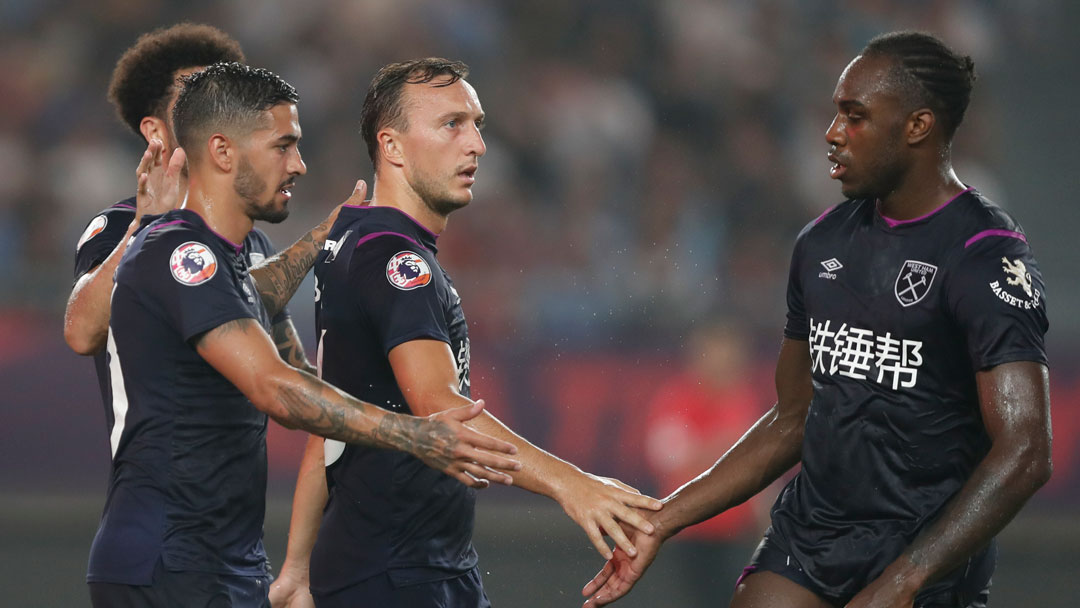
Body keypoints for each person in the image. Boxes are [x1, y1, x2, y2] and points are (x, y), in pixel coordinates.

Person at [582, 31, 1052, 608]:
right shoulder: (820, 243)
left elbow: (1026, 449)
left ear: (917, 126)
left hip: (929, 555)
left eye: (854, 117)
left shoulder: (984, 254)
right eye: (836, 114)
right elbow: (793, 417)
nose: (832, 134)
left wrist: (907, 578)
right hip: (811, 538)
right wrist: (660, 520)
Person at [86, 62, 521, 608]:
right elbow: (278, 389)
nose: (299, 164)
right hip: (167, 560)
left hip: (225, 561)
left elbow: (297, 370)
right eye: (283, 146)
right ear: (223, 153)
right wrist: (415, 434)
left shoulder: (225, 266)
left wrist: (323, 241)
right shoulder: (178, 252)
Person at [270, 58, 663, 608]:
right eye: (452, 124)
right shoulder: (395, 259)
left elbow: (330, 418)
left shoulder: (353, 236)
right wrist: (573, 485)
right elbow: (438, 406)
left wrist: (296, 568)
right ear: (394, 147)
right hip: (400, 572)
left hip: (391, 563)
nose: (476, 144)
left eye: (476, 124)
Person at [64, 23, 320, 443]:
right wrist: (145, 229)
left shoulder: (254, 244)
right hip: (155, 502)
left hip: (239, 505)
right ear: (155, 131)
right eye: (196, 99)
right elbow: (81, 333)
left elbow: (293, 381)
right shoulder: (116, 226)